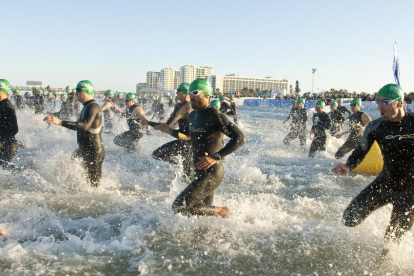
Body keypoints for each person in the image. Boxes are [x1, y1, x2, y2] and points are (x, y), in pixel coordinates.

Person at [332, 83, 414, 243]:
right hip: (386, 182)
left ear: (400, 103)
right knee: (350, 218)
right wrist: (348, 166)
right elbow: (360, 151)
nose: (380, 107)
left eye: (386, 102)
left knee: (392, 242)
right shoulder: (376, 126)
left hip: (411, 191)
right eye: (378, 102)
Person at [154, 79, 246, 218]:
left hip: (212, 172)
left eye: (195, 92)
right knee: (201, 214)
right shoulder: (193, 115)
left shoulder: (215, 115)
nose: (191, 96)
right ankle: (220, 226)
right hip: (199, 171)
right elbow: (186, 135)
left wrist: (216, 157)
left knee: (179, 206)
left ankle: (220, 211)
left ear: (207, 95)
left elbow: (239, 138)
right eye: (190, 92)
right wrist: (170, 130)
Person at [44, 80, 104, 187]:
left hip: (94, 152)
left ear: (86, 91)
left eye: (78, 90)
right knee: (69, 165)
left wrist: (60, 122)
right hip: (84, 150)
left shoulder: (93, 106)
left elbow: (84, 126)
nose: (76, 93)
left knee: (94, 186)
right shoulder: (86, 106)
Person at [148, 83, 193, 178]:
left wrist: (147, 122)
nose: (176, 92)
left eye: (178, 90)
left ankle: (178, 164)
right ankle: (178, 164)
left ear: (184, 93)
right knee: (187, 176)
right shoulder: (190, 105)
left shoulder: (183, 106)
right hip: (188, 142)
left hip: (186, 143)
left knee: (188, 177)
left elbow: (166, 125)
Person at [0, 79, 20, 171]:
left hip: (8, 145)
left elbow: (14, 129)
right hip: (5, 143)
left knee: (5, 169)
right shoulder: (1, 104)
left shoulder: (8, 107)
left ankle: (29, 168)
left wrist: (1, 140)